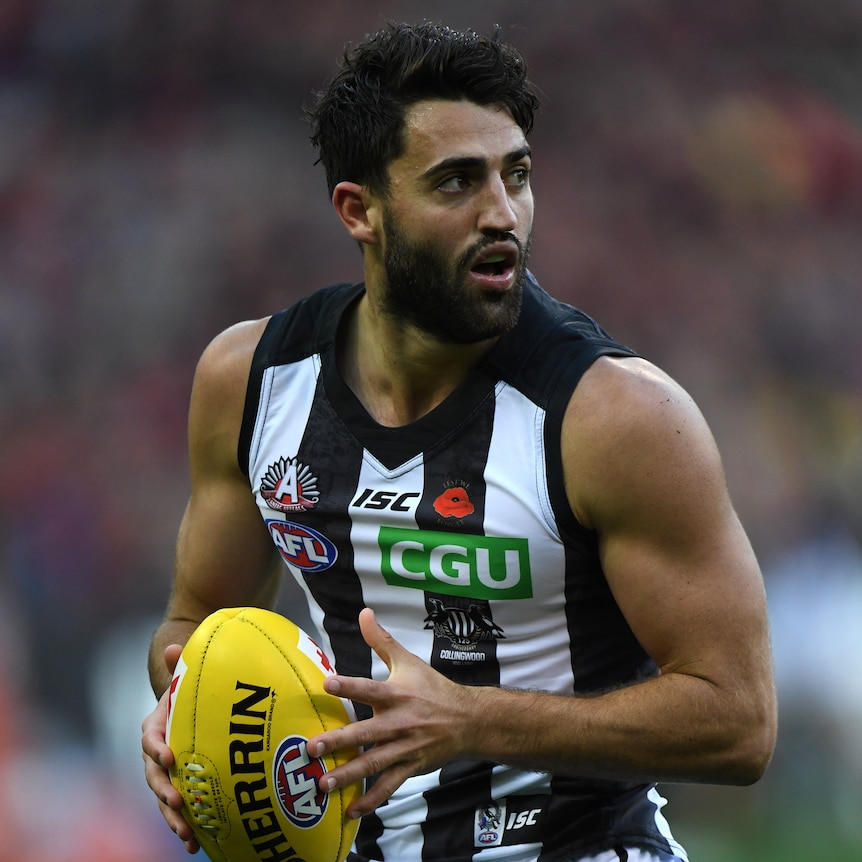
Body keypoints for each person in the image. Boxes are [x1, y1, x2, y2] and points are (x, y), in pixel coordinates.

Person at [141, 21, 777, 862]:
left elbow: (739, 720)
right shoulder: (250, 382)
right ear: (359, 210)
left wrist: (470, 718)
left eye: (516, 174)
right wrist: (180, 710)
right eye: (457, 183)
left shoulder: (616, 417)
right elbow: (192, 623)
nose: (502, 214)